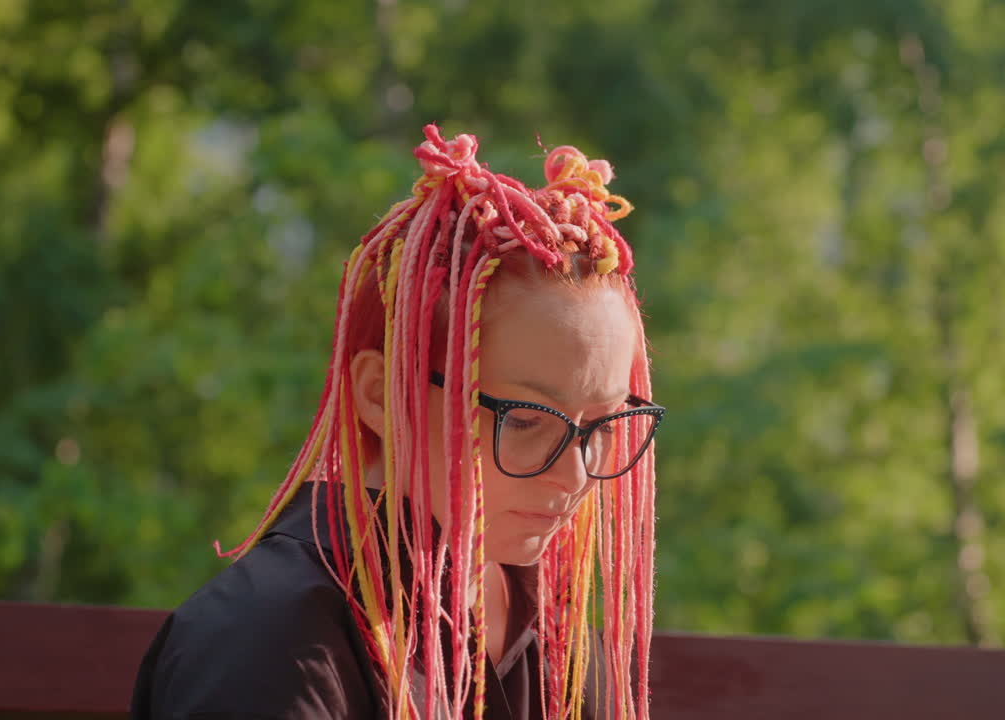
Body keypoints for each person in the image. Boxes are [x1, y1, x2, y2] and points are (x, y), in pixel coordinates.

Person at [131, 125, 664, 720]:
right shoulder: (267, 643)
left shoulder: (546, 622)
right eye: (524, 420)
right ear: (379, 394)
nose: (576, 476)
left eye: (603, 426)